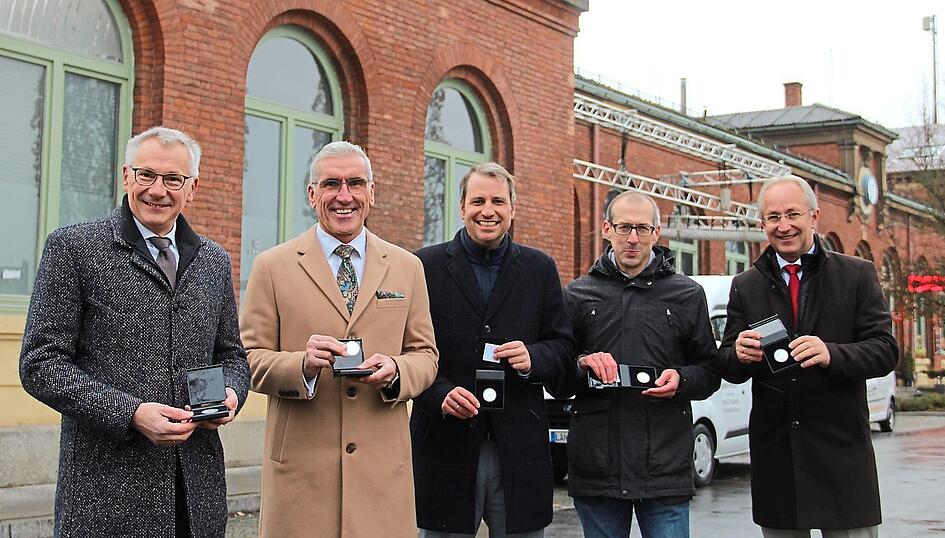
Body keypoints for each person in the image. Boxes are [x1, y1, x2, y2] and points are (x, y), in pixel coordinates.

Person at [19, 126, 250, 538]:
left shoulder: (214, 260)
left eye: (173, 180)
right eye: (146, 175)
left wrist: (231, 395)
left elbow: (231, 356)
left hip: (196, 494)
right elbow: (40, 364)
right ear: (127, 176)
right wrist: (131, 414)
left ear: (192, 188)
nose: (157, 191)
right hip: (106, 493)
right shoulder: (73, 248)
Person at [241, 141, 439, 538]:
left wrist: (396, 370)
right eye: (331, 184)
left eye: (355, 183)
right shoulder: (272, 267)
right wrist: (301, 364)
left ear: (371, 192)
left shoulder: (407, 267)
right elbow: (248, 358)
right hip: (301, 474)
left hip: (381, 475)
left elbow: (426, 355)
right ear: (312, 194)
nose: (343, 196)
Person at [717, 175, 898, 538]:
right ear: (762, 224)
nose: (783, 226)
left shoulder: (856, 275)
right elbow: (727, 365)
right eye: (772, 217)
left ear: (814, 217)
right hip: (778, 460)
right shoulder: (746, 285)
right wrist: (737, 354)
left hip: (841, 455)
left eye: (792, 214)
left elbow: (885, 350)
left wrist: (831, 354)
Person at [412, 162, 574, 537]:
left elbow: (564, 348)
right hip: (445, 442)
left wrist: (534, 358)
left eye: (498, 201)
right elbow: (408, 349)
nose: (488, 210)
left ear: (513, 209)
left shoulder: (540, 268)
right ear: (462, 208)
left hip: (518, 447)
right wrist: (438, 393)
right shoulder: (424, 266)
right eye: (478, 200)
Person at [557, 191, 720, 538]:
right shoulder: (577, 295)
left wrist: (682, 379)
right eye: (624, 227)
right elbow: (557, 379)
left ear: (657, 233)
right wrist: (582, 364)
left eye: (643, 229)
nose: (633, 238)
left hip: (665, 469)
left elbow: (710, 371)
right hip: (597, 469)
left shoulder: (687, 295)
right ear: (606, 229)